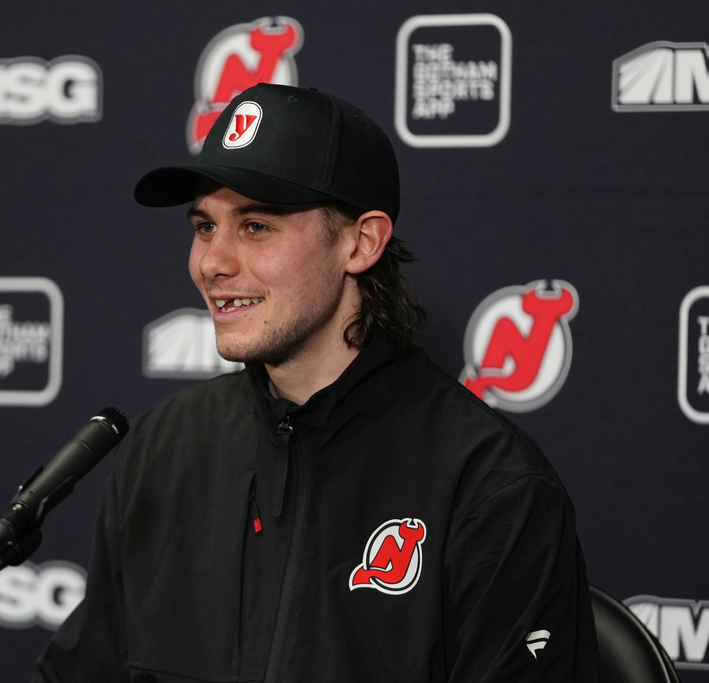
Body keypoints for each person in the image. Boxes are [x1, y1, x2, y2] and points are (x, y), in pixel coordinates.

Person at [32, 83, 598, 682]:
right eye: (204, 226)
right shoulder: (160, 449)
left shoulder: (488, 484)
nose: (211, 262)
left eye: (255, 226)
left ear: (361, 241)